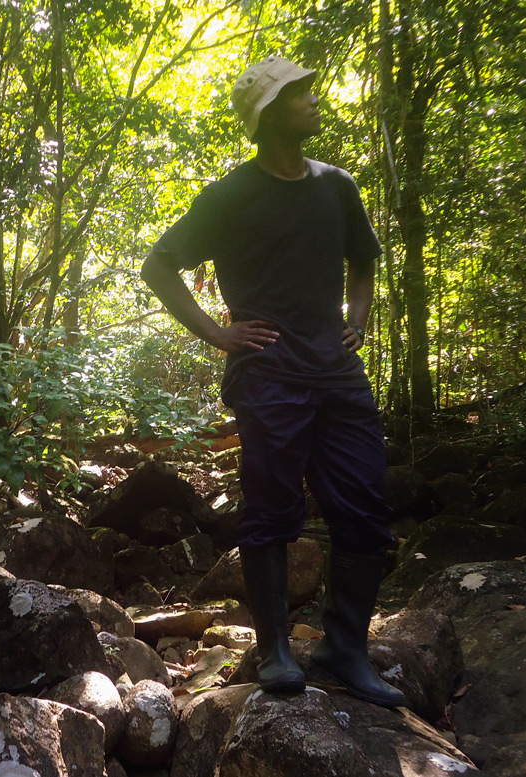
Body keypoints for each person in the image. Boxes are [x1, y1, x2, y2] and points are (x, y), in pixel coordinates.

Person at [140, 55, 404, 707]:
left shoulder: (336, 186)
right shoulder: (230, 195)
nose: (314, 99)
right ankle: (275, 648)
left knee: (366, 506)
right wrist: (219, 333)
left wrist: (358, 318)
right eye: (299, 93)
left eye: (312, 89)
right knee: (270, 512)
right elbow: (159, 266)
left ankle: (345, 646)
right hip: (268, 375)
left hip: (337, 372)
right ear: (267, 116)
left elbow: (364, 260)